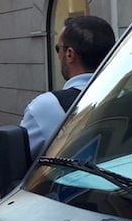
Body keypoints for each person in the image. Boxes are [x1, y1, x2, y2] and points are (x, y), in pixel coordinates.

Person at [21, 15, 116, 159]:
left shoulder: (46, 107)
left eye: (57, 48)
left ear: (70, 54)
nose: (58, 55)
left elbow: (17, 162)